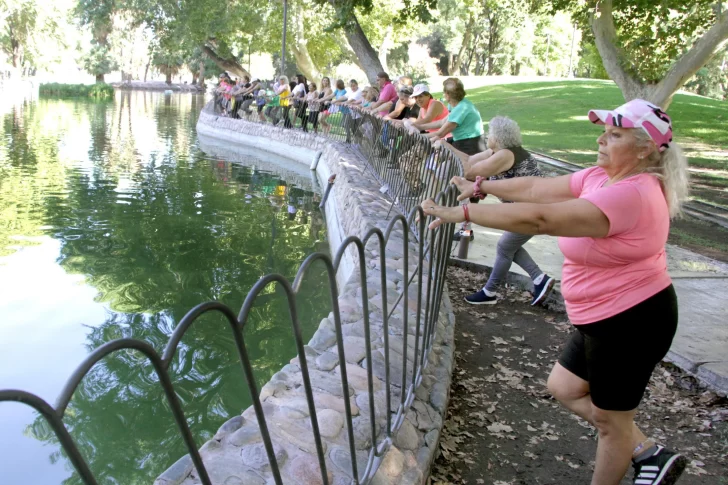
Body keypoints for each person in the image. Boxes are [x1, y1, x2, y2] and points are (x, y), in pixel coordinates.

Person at [421, 99, 689, 485]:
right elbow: (536, 188)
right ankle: (649, 452)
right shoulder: (602, 176)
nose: (601, 140)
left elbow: (541, 218)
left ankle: (633, 455)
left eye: (614, 135)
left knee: (611, 423)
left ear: (645, 148)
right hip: (600, 316)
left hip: (631, 320)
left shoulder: (633, 193)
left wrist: (462, 213)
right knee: (563, 387)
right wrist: (478, 186)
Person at [446, 116, 555, 305]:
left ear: (498, 137)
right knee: (509, 246)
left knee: (505, 247)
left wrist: (442, 147)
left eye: (490, 132)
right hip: (522, 210)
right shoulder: (497, 152)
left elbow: (469, 171)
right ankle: (540, 279)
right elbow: (469, 160)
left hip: (533, 210)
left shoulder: (505, 155)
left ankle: (490, 292)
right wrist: (442, 144)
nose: (487, 135)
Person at [423, 77, 484, 156]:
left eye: (444, 92)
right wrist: (418, 126)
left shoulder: (461, 108)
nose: (443, 95)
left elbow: (441, 133)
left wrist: (418, 136)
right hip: (463, 141)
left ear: (448, 95)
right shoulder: (454, 104)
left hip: (470, 145)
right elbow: (442, 122)